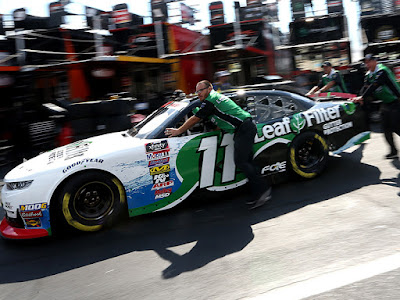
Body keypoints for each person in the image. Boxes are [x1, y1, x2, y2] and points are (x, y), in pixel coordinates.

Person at [164, 80, 271, 209]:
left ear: (210, 88)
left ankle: (262, 191)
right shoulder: (209, 103)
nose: (198, 93)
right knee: (247, 162)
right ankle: (261, 190)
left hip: (244, 128)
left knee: (241, 162)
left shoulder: (212, 99)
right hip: (242, 130)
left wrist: (179, 131)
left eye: (201, 90)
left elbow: (196, 118)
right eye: (196, 91)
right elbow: (202, 114)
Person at [352, 54, 400, 159]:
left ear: (375, 61)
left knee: (396, 126)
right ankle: (393, 151)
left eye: (369, 61)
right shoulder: (368, 75)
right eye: (366, 62)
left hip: (396, 100)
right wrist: (358, 98)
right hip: (386, 103)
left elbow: (375, 85)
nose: (367, 64)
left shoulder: (382, 71)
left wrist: (362, 97)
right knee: (386, 128)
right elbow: (365, 88)